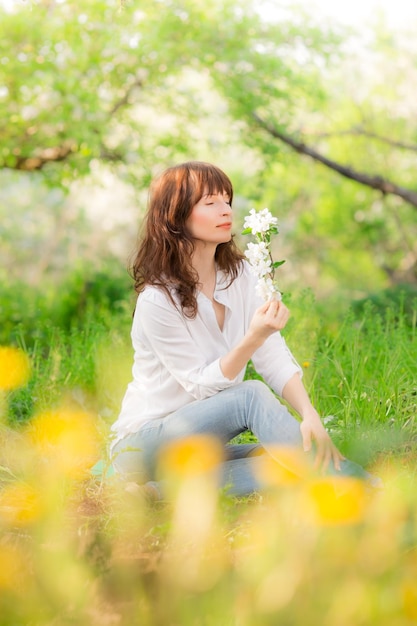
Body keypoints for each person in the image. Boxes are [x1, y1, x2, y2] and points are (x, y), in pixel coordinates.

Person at [110, 161, 381, 498]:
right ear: (175, 217)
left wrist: (309, 413)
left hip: (197, 447)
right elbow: (202, 388)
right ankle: (361, 487)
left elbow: (272, 353)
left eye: (227, 200)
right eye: (210, 203)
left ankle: (156, 494)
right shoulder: (157, 300)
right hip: (143, 447)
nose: (225, 210)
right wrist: (253, 336)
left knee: (285, 459)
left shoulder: (240, 274)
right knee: (250, 396)